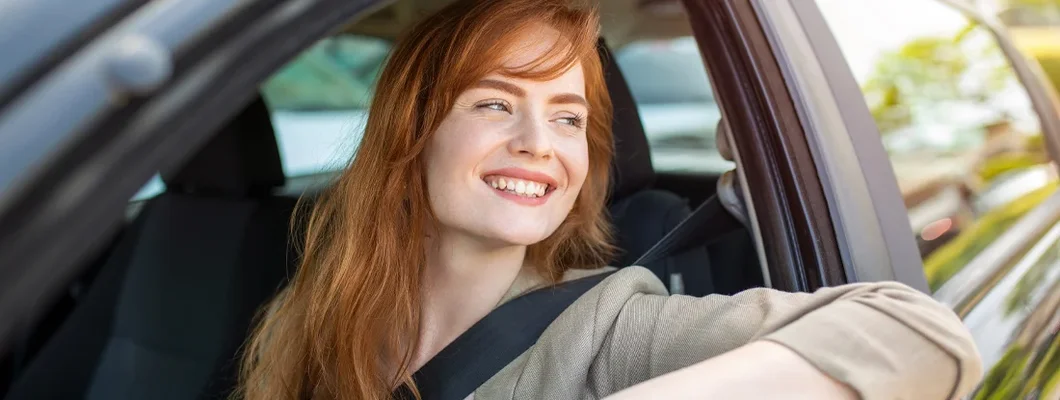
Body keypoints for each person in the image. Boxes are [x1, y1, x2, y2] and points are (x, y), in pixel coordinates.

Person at [237, 0, 983, 398]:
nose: (541, 142)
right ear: (414, 129)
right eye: (495, 104)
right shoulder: (320, 306)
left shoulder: (609, 328)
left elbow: (921, 335)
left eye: (568, 118)